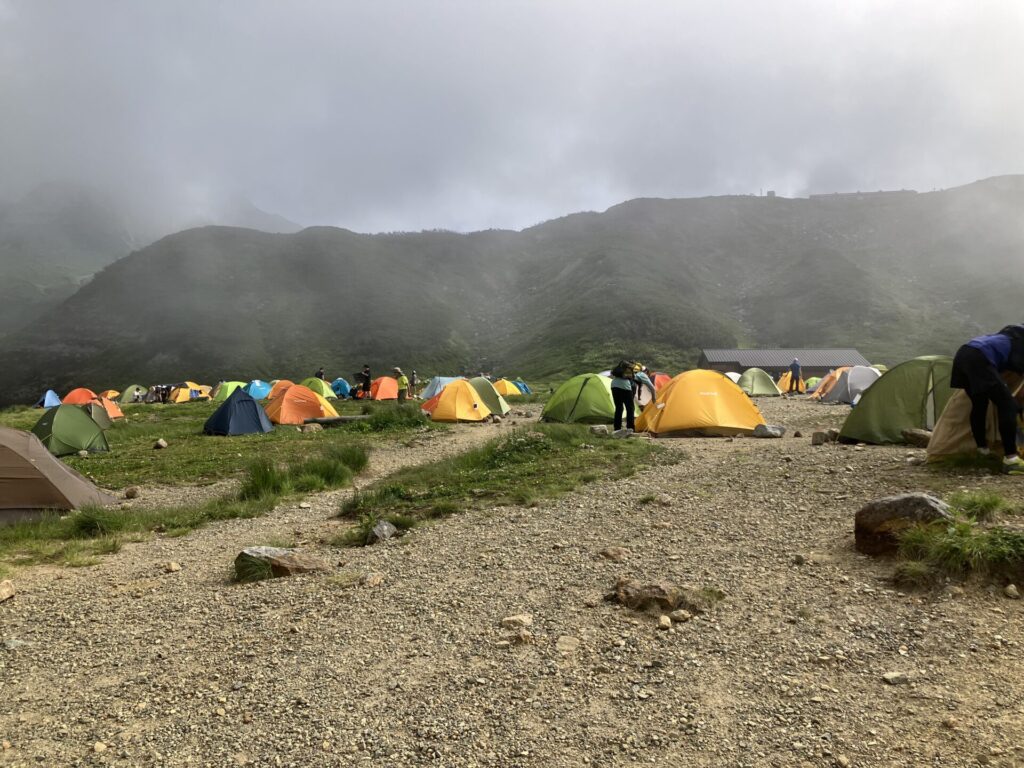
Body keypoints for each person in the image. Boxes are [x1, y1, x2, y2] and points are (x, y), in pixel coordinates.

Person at [951, 325, 1024, 474]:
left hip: (963, 354)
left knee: (979, 404)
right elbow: (1018, 369)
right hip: (980, 357)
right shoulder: (1019, 344)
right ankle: (1011, 459)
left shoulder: (1005, 337)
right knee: (1008, 405)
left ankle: (982, 451)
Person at [609, 360, 636, 433]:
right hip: (625, 387)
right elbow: (630, 377)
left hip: (614, 386)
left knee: (619, 408)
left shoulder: (616, 369)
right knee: (630, 408)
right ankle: (630, 428)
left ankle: (617, 428)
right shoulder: (628, 369)